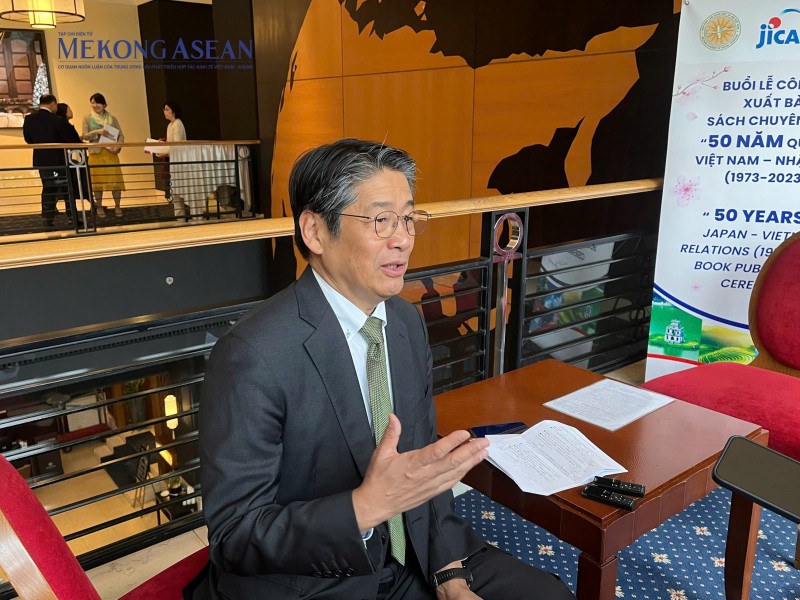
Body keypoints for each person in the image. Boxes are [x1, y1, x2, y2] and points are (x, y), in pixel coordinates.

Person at [193, 138, 575, 600]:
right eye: (380, 220)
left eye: (408, 218)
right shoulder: (252, 354)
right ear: (315, 232)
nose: (403, 239)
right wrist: (363, 508)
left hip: (415, 554)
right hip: (315, 581)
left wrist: (449, 575)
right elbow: (235, 535)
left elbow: (421, 468)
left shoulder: (405, 323)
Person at [22, 94, 76, 230]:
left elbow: (28, 139)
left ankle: (48, 219)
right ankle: (72, 217)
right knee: (66, 188)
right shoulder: (57, 120)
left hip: (41, 160)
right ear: (53, 104)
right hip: (59, 160)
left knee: (48, 188)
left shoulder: (29, 118)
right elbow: (69, 140)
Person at [81, 92, 126, 218]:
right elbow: (84, 135)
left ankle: (117, 206)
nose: (95, 105)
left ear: (104, 104)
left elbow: (121, 135)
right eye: (93, 103)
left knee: (115, 181)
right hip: (96, 154)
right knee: (97, 183)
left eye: (98, 103)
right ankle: (99, 206)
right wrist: (98, 132)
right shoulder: (87, 118)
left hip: (111, 153)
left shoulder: (112, 119)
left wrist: (118, 147)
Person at [55, 102, 88, 228]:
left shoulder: (62, 124)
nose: (71, 111)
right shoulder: (65, 125)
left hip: (66, 160)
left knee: (63, 187)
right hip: (68, 161)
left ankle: (67, 214)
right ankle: (72, 217)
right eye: (69, 109)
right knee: (68, 188)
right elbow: (73, 141)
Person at [159, 100, 187, 216]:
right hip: (173, 160)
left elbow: (177, 145)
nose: (164, 112)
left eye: (167, 109)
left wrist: (164, 152)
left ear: (173, 111)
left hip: (179, 160)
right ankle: (179, 213)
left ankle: (181, 213)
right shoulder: (170, 125)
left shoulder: (177, 124)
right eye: (164, 109)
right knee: (175, 187)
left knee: (179, 187)